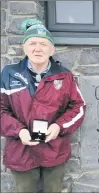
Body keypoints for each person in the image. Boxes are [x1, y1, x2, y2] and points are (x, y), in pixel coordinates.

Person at [0, 19, 86, 193]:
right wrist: (19, 131)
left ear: (52, 49)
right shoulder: (9, 74)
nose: (37, 48)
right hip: (21, 151)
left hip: (54, 150)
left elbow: (79, 107)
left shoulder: (64, 76)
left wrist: (58, 126)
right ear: (24, 47)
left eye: (43, 44)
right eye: (32, 43)